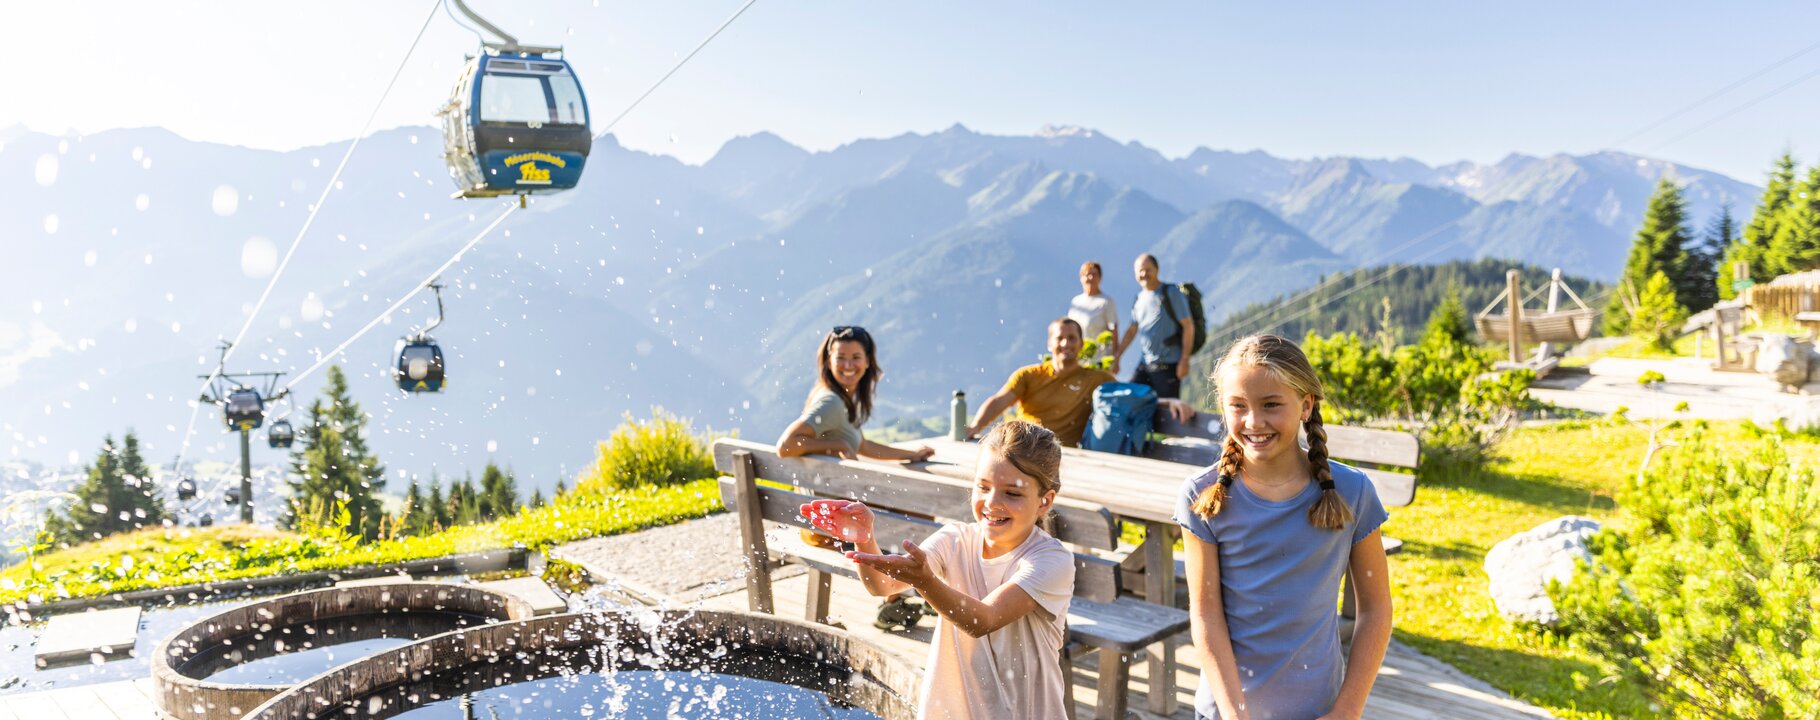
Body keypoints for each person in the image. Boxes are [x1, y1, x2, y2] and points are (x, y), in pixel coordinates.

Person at [1172, 334, 1392, 720]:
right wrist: (1235, 713)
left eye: (1271, 405)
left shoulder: (1353, 492)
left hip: (1319, 711)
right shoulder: (1203, 497)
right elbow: (1205, 617)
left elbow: (1375, 610)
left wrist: (1347, 710)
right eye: (1237, 406)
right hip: (1224, 713)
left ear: (1306, 405)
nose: (1254, 422)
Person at [801, 421, 1075, 720]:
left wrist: (926, 582)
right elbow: (883, 587)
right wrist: (864, 539)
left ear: (1044, 501)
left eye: (1012, 493)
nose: (992, 503)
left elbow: (983, 620)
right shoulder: (956, 538)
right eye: (983, 487)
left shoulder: (1050, 561)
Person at [777, 325, 934, 629]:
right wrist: (834, 444)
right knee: (917, 516)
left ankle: (899, 598)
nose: (848, 365)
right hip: (829, 525)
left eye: (855, 357)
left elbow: (861, 445)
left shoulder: (836, 397)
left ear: (868, 360)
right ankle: (901, 598)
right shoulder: (832, 402)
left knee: (911, 514)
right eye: (841, 358)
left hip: (818, 518)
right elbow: (786, 446)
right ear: (828, 360)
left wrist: (908, 454)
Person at [966, 318, 1197, 447]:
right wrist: (974, 427)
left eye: (1072, 338)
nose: (1066, 343)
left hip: (1063, 456)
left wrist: (1170, 402)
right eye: (1060, 338)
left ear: (1081, 344)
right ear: (1049, 343)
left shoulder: (1095, 379)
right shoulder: (1028, 375)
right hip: (1023, 447)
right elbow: (999, 401)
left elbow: (1130, 396)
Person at [1117, 253, 1194, 399]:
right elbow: (1132, 330)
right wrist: (1118, 356)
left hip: (1168, 365)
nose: (1144, 274)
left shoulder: (1171, 293)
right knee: (1131, 401)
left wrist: (1184, 360)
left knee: (1167, 411)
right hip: (1145, 364)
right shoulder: (1139, 299)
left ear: (1157, 270)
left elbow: (1188, 326)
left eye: (1148, 269)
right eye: (1140, 270)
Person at [1067, 261, 1120, 373]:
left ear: (1100, 278)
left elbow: (1113, 330)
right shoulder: (1076, 302)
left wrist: (1115, 359)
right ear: (1081, 278)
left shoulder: (1106, 302)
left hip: (1099, 359)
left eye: (1094, 274)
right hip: (1079, 358)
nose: (1090, 278)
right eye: (1086, 274)